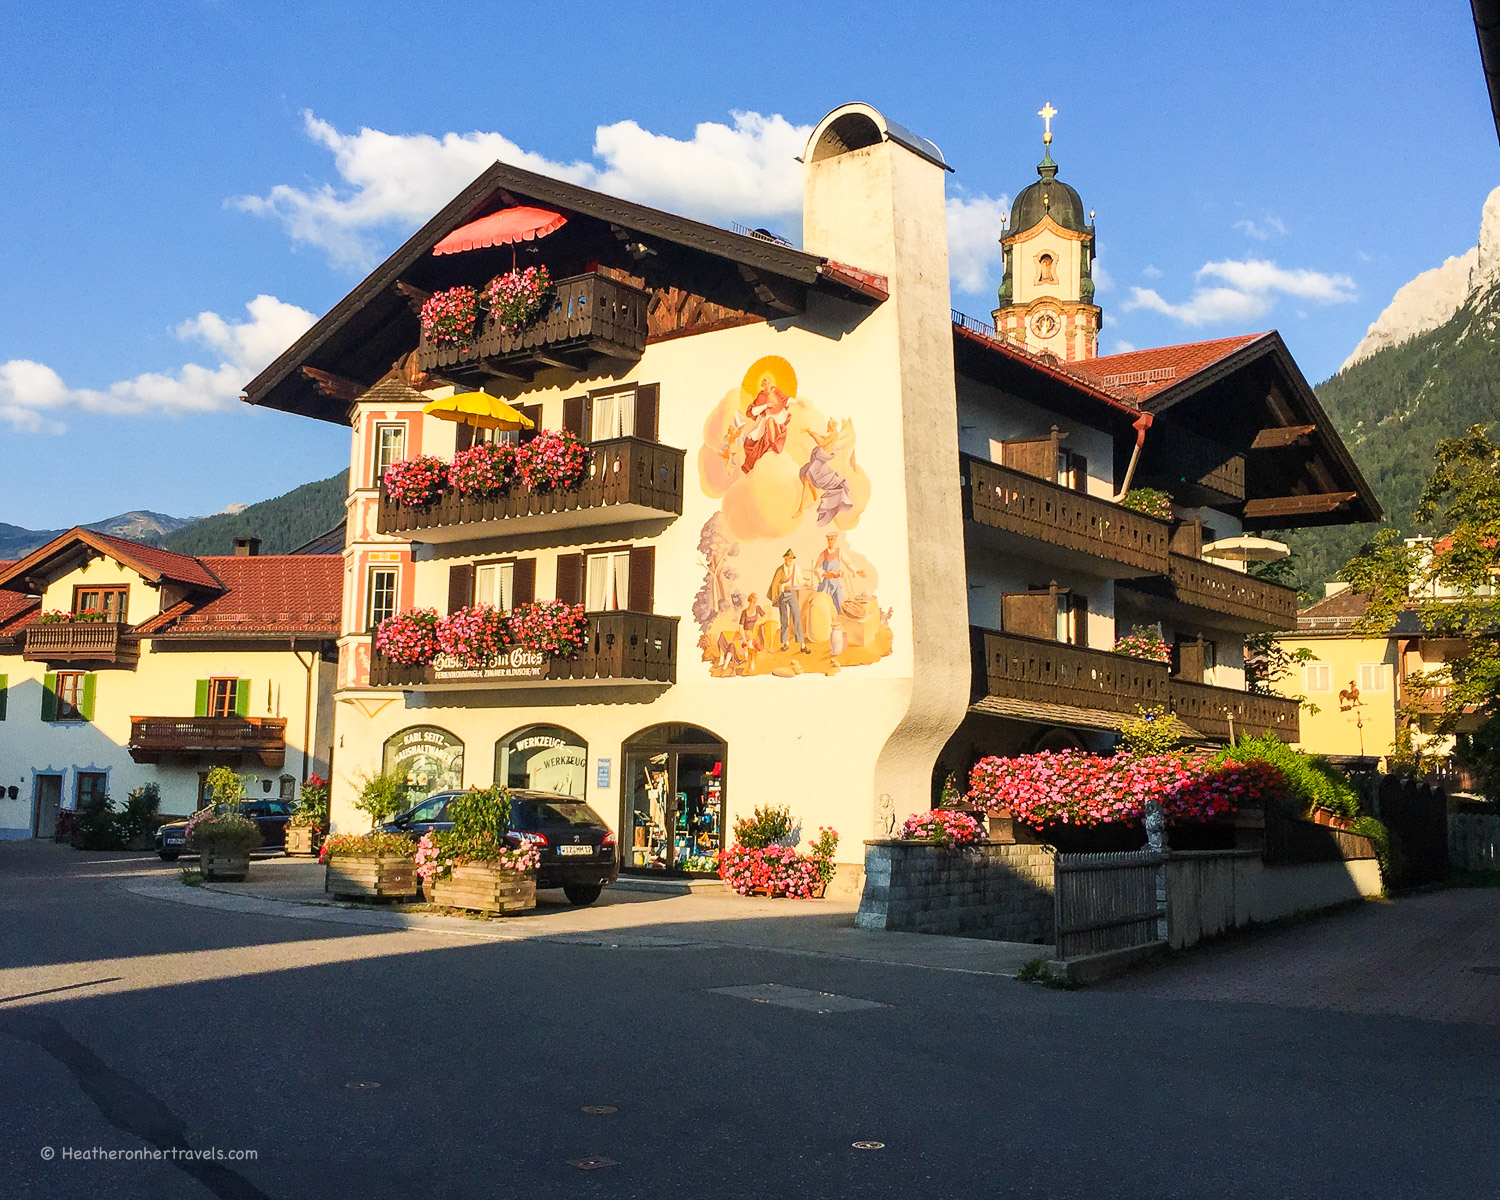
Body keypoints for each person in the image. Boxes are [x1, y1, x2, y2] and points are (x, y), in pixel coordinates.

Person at [797, 418, 855, 525]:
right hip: (818, 460)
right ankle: (808, 496)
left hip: (819, 463)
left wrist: (812, 435)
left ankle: (801, 508)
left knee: (806, 478)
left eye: (828, 424)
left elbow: (822, 442)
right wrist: (812, 432)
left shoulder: (834, 434)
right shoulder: (833, 434)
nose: (827, 426)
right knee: (805, 475)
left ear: (832, 425)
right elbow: (824, 438)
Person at [741, 377, 794, 473]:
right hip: (763, 420)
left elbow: (786, 400)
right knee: (751, 442)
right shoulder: (761, 395)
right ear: (762, 385)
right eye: (765, 383)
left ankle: (773, 444)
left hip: (777, 418)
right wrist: (765, 405)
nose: (767, 385)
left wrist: (797, 402)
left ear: (771, 383)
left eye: (768, 382)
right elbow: (753, 411)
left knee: (770, 420)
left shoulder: (776, 391)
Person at [767, 550, 809, 653]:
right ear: (785, 558)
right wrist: (783, 586)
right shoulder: (780, 570)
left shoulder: (796, 568)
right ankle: (785, 643)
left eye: (791, 558)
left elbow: (800, 580)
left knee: (797, 617)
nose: (789, 560)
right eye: (788, 558)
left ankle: (802, 645)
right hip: (782, 595)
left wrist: (805, 583)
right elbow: (775, 584)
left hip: (792, 594)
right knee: (784, 619)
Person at [814, 533, 863, 613]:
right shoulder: (823, 554)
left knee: (840, 604)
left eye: (832, 540)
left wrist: (856, 570)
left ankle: (840, 620)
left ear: (835, 541)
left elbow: (848, 563)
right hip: (826, 584)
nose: (830, 542)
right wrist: (825, 574)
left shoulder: (840, 552)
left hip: (836, 583)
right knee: (826, 606)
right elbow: (817, 568)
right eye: (829, 540)